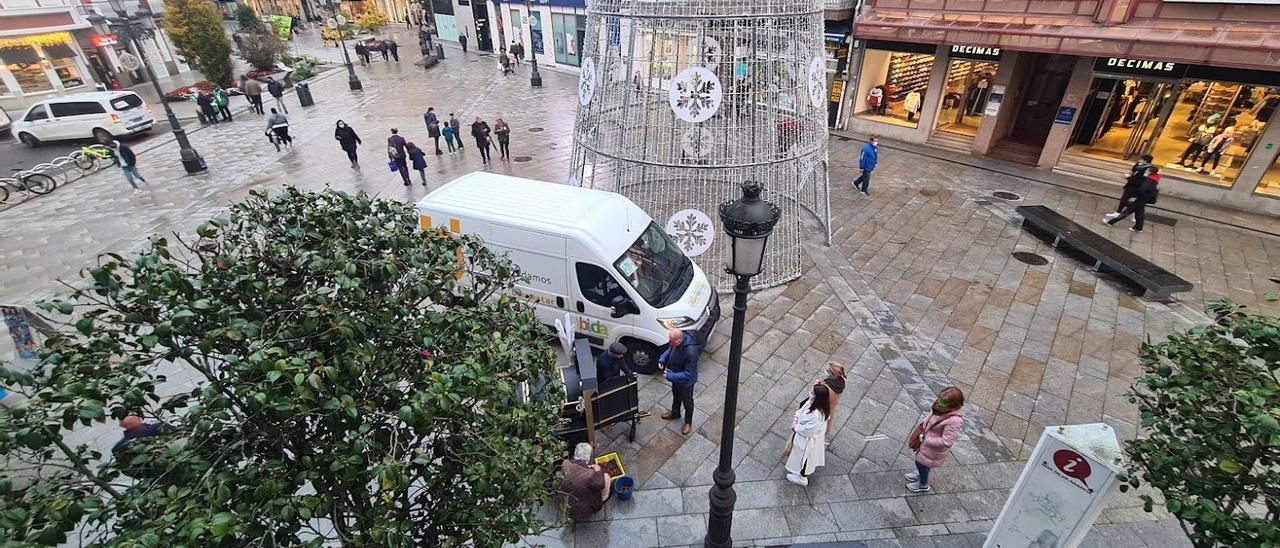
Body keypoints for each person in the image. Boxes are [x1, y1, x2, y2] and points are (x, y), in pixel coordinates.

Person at [907, 387, 966, 493]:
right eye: (939, 398)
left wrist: (927, 440)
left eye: (942, 402)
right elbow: (931, 417)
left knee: (921, 464)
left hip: (932, 449)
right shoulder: (940, 408)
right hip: (927, 444)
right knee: (922, 464)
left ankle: (923, 484)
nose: (938, 402)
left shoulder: (954, 421)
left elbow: (947, 442)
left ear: (952, 405)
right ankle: (920, 476)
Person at [784, 383, 831, 486]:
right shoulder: (813, 403)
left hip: (808, 442)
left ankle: (802, 478)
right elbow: (801, 411)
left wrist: (796, 427)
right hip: (803, 437)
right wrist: (796, 418)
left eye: (812, 393)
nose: (810, 394)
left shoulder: (817, 415)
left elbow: (809, 430)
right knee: (802, 457)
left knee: (805, 459)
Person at [659, 328, 700, 435]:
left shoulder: (691, 352)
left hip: (686, 383)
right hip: (676, 377)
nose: (670, 343)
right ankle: (675, 413)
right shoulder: (676, 342)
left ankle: (688, 422)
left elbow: (688, 374)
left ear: (679, 341)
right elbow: (670, 349)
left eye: (672, 342)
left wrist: (670, 375)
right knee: (676, 396)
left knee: (688, 402)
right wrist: (663, 358)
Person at [558, 442, 610, 522]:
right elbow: (599, 484)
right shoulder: (591, 474)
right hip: (586, 509)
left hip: (569, 504)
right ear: (588, 458)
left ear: (575, 454)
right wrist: (598, 470)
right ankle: (603, 499)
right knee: (606, 478)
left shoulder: (565, 464)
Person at [1105, 166, 1160, 232]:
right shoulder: (1153, 179)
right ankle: (1138, 227)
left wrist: (1135, 194)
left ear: (1150, 172)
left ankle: (1110, 222)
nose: (1145, 172)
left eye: (1147, 171)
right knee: (1139, 212)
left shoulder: (1149, 180)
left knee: (1127, 211)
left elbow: (1142, 190)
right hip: (1145, 198)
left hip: (1142, 198)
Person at [821, 362, 846, 437]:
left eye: (827, 371)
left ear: (833, 375)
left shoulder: (826, 387)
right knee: (829, 423)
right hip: (832, 409)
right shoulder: (841, 383)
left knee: (822, 425)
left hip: (824, 409)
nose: (825, 371)